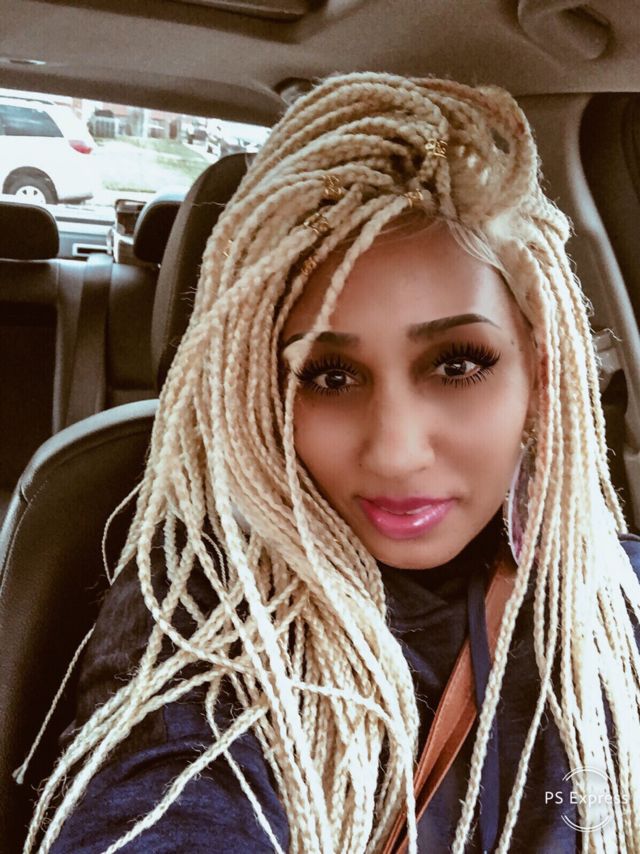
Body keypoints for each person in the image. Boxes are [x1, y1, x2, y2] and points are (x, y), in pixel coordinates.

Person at [22, 72, 640, 853]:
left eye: (458, 364)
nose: (396, 452)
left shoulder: (618, 596)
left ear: (541, 373)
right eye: (330, 376)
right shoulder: (209, 596)